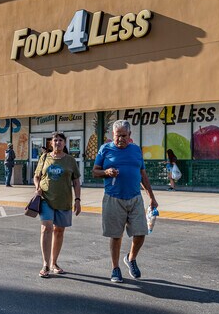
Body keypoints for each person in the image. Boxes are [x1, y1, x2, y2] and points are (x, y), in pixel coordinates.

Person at [92, 120, 158, 283]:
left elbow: (143, 174)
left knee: (141, 233)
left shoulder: (136, 150)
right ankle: (115, 268)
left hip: (135, 197)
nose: (120, 139)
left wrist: (152, 197)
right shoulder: (105, 149)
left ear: (130, 136)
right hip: (113, 198)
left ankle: (130, 258)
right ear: (112, 135)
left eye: (123, 136)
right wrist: (106, 172)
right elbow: (94, 171)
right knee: (116, 235)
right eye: (117, 135)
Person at [34, 131, 82, 278]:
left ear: (65, 143)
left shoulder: (70, 160)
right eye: (55, 140)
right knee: (46, 228)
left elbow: (76, 181)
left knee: (59, 231)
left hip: (64, 200)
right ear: (51, 143)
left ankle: (54, 262)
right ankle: (45, 264)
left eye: (60, 140)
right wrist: (38, 188)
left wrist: (78, 200)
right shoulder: (44, 157)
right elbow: (36, 176)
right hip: (46, 199)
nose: (58, 142)